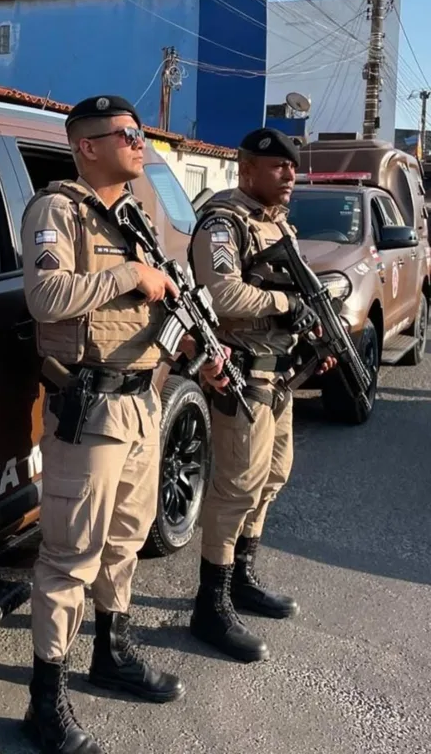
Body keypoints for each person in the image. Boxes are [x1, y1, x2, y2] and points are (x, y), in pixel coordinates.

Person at [21, 95, 225, 754]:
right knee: (69, 556)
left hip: (141, 404)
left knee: (125, 542)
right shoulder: (57, 211)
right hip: (88, 408)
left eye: (140, 133)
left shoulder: (133, 217)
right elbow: (45, 295)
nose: (141, 143)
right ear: (88, 146)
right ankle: (44, 700)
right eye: (128, 134)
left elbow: (159, 308)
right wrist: (127, 274)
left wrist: (202, 355)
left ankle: (111, 649)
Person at [187, 127, 335, 664]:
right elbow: (222, 291)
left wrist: (315, 329)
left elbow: (300, 294)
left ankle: (242, 575)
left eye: (293, 168)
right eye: (278, 167)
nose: (290, 176)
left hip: (280, 375)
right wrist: (283, 304)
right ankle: (211, 602)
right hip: (242, 374)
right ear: (247, 169)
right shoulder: (224, 222)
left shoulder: (278, 226)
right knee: (236, 488)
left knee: (273, 476)